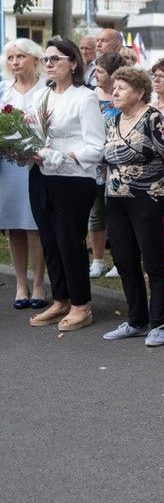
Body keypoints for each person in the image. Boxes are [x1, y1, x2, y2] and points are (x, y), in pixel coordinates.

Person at [27, 38, 105, 332]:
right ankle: (60, 299)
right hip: (41, 175)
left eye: (55, 59)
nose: (48, 64)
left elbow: (96, 147)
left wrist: (65, 156)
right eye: (45, 59)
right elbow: (32, 134)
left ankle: (81, 304)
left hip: (72, 179)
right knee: (49, 240)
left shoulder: (84, 98)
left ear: (73, 63)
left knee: (69, 241)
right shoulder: (41, 96)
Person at [100, 67, 164, 347]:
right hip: (116, 198)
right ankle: (136, 320)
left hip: (150, 199)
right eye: (114, 86)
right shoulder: (113, 120)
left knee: (153, 261)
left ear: (140, 92)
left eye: (122, 87)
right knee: (124, 260)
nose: (115, 91)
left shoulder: (153, 118)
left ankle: (159, 323)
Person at [1, 38, 47, 309]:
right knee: (14, 225)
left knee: (35, 226)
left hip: (38, 162)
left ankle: (39, 283)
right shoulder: (3, 89)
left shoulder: (47, 87)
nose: (15, 62)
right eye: (11, 57)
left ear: (34, 58)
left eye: (20, 56)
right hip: (8, 165)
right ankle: (21, 284)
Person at [87, 51, 126, 280]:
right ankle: (97, 260)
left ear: (113, 74)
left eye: (100, 71)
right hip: (96, 163)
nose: (95, 75)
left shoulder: (124, 96)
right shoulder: (91, 95)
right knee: (96, 213)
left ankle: (119, 261)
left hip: (117, 162)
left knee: (116, 214)